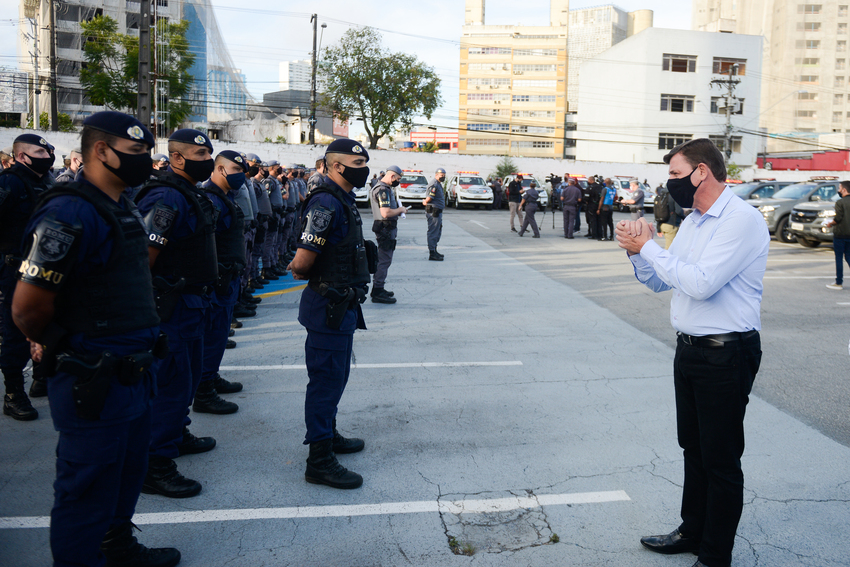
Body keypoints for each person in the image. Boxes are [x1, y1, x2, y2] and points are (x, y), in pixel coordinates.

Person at [11, 110, 180, 567]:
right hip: (95, 377)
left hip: (132, 374)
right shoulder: (68, 211)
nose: (147, 160)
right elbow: (27, 307)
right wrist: (58, 343)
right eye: (137, 152)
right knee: (85, 490)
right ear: (102, 151)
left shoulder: (121, 202)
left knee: (126, 474)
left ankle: (119, 548)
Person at [615, 138, 768, 567]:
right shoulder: (695, 220)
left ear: (703, 171)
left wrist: (649, 248)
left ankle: (715, 554)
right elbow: (665, 281)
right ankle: (691, 529)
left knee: (720, 457)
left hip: (726, 353)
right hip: (690, 350)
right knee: (693, 447)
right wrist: (638, 251)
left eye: (676, 174)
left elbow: (701, 283)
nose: (670, 184)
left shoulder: (741, 220)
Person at [135, 129, 220, 499]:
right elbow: (144, 259)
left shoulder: (189, 192)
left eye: (209, 153)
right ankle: (156, 464)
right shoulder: (167, 196)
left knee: (184, 382)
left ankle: (176, 435)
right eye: (200, 154)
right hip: (172, 305)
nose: (208, 160)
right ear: (178, 157)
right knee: (170, 386)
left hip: (192, 303)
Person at [287, 138, 374, 490]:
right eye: (356, 162)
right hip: (328, 307)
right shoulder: (325, 203)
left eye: (365, 162)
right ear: (335, 166)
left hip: (343, 306)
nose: (363, 168)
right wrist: (299, 266)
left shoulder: (342, 201)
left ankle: (329, 433)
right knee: (325, 382)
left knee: (336, 378)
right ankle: (319, 459)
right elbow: (303, 262)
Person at [0, 133, 54, 420]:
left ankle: (41, 379)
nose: (46, 157)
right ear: (21, 156)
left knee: (47, 325)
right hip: (15, 268)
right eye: (39, 152)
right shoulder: (9, 181)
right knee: (16, 332)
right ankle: (13, 394)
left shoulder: (46, 181)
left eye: (48, 152)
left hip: (45, 268)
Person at [369, 166, 408, 303]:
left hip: (386, 229)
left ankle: (379, 287)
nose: (398, 181)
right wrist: (400, 209)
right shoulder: (383, 190)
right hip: (385, 229)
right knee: (384, 260)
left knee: (385, 259)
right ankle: (378, 291)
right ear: (392, 176)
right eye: (397, 179)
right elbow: (385, 213)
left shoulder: (384, 188)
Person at [826, 180, 850, 290]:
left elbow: (838, 218)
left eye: (840, 188)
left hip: (840, 235)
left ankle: (838, 282)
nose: (839, 190)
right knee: (849, 257)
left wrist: (830, 223)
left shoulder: (840, 203)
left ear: (844, 190)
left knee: (839, 258)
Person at [422, 167, 446, 261]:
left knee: (437, 231)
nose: (443, 177)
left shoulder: (438, 183)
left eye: (444, 175)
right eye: (441, 175)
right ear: (436, 175)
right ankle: (432, 253)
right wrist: (425, 201)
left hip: (437, 211)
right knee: (433, 232)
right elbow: (430, 197)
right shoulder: (434, 184)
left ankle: (434, 250)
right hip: (433, 211)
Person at [655, 183, 686, 250]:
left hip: (662, 224)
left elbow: (657, 212)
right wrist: (685, 218)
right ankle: (665, 260)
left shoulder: (660, 196)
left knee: (669, 245)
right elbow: (678, 211)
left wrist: (658, 228)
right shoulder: (674, 196)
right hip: (672, 225)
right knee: (670, 248)